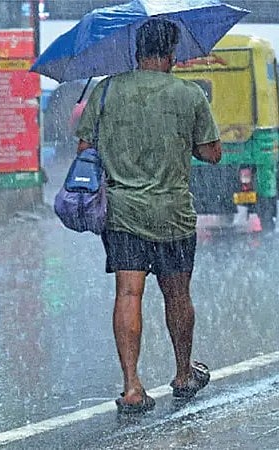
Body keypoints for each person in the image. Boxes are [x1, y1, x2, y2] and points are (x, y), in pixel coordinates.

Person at [74, 18, 222, 414]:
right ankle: (183, 372)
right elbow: (212, 153)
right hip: (173, 213)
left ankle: (133, 387)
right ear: (172, 54)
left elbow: (85, 148)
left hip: (122, 213)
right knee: (176, 293)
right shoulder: (189, 94)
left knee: (128, 293)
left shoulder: (106, 91)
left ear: (137, 53)